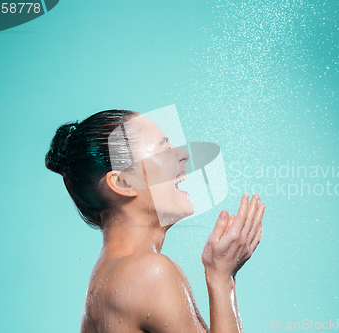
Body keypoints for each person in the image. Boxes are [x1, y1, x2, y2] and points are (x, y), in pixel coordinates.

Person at [45, 109, 265, 333]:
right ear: (123, 182)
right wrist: (221, 278)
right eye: (165, 148)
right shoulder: (149, 273)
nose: (183, 154)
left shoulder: (107, 278)